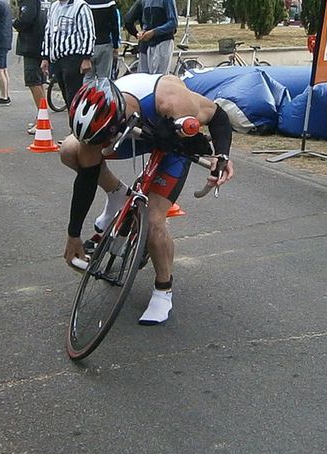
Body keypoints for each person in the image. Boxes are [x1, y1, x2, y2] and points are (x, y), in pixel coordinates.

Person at [60, 76, 234, 324]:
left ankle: (163, 290)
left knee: (154, 221)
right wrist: (73, 235)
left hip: (174, 143)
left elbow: (219, 117)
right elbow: (86, 180)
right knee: (69, 150)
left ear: (117, 119)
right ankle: (118, 194)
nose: (101, 145)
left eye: (103, 139)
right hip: (134, 135)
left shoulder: (172, 99)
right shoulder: (98, 127)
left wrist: (222, 155)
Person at [41, 0, 94, 111]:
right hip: (57, 58)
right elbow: (48, 32)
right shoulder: (54, 7)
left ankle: (76, 129)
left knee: (74, 95)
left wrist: (86, 58)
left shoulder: (80, 6)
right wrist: (45, 57)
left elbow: (88, 33)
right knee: (66, 94)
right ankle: (73, 125)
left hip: (73, 57)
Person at [13, 0, 51, 132]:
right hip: (43, 43)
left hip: (31, 44)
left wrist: (15, 23)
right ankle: (41, 115)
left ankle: (43, 118)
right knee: (40, 82)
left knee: (33, 82)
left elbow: (26, 19)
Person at [122, 0, 178, 74]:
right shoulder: (144, 0)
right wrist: (138, 33)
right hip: (146, 44)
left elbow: (173, 22)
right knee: (143, 76)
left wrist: (154, 32)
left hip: (163, 41)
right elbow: (128, 20)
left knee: (159, 77)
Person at [82, 0, 121, 80]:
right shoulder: (109, 3)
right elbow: (114, 26)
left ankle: (88, 97)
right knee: (104, 79)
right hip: (105, 44)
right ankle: (104, 97)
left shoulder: (83, 3)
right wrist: (115, 45)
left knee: (88, 79)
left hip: (87, 47)